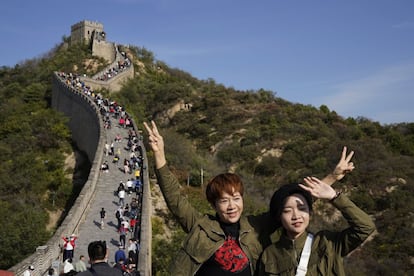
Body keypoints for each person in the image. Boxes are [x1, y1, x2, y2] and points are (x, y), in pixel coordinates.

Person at [143, 121, 354, 275]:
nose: (231, 206)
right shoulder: (200, 226)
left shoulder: (255, 227)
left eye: (236, 198)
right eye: (224, 201)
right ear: (214, 205)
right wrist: (160, 155)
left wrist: (333, 177)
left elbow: (295, 202)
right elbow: (175, 199)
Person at [256, 177, 376, 275]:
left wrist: (335, 197)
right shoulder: (269, 255)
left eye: (302, 209)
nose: (296, 216)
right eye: (287, 211)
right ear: (279, 216)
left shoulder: (327, 243)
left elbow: (365, 227)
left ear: (310, 212)